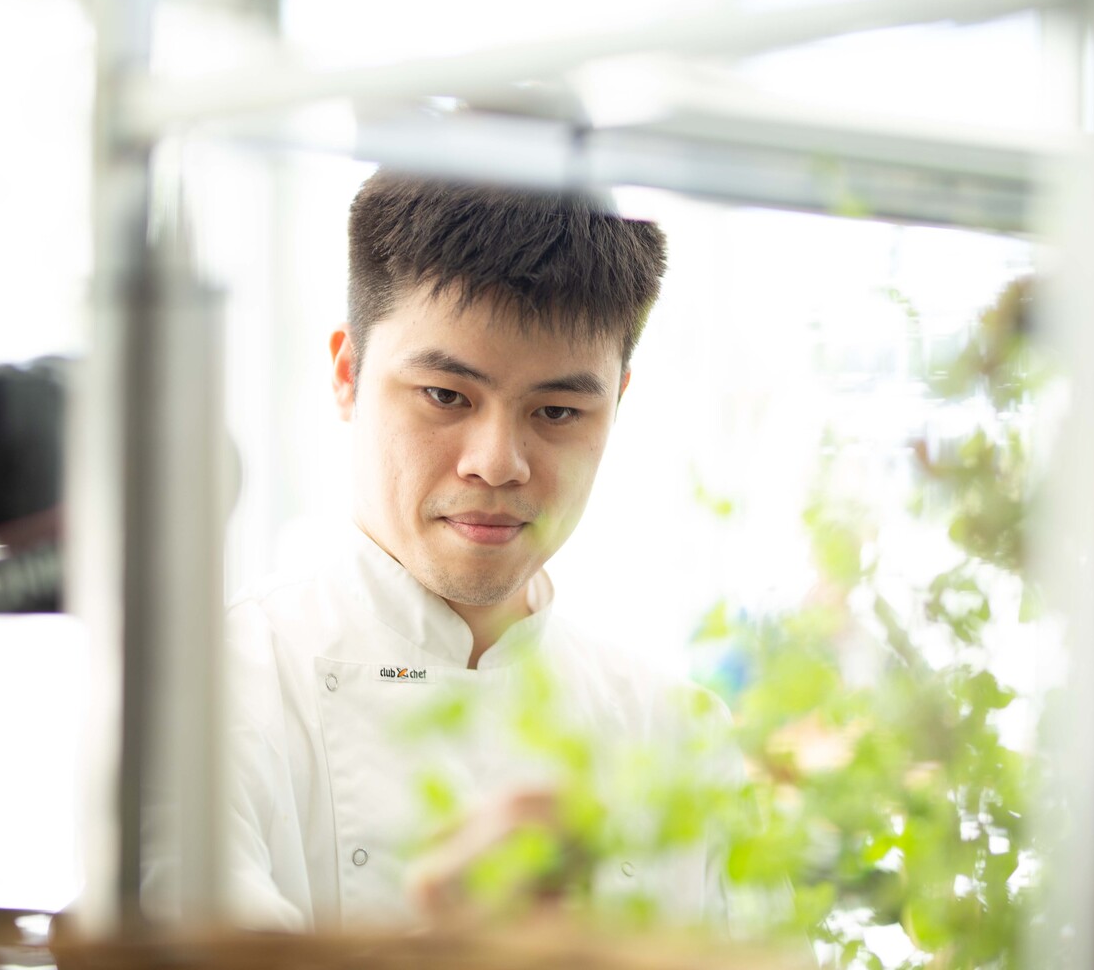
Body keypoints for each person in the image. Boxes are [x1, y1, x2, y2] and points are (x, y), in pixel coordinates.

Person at [144, 173, 737, 931]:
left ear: (617, 404)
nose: (497, 462)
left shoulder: (679, 734)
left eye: (557, 411)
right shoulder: (202, 698)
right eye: (446, 397)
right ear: (347, 374)